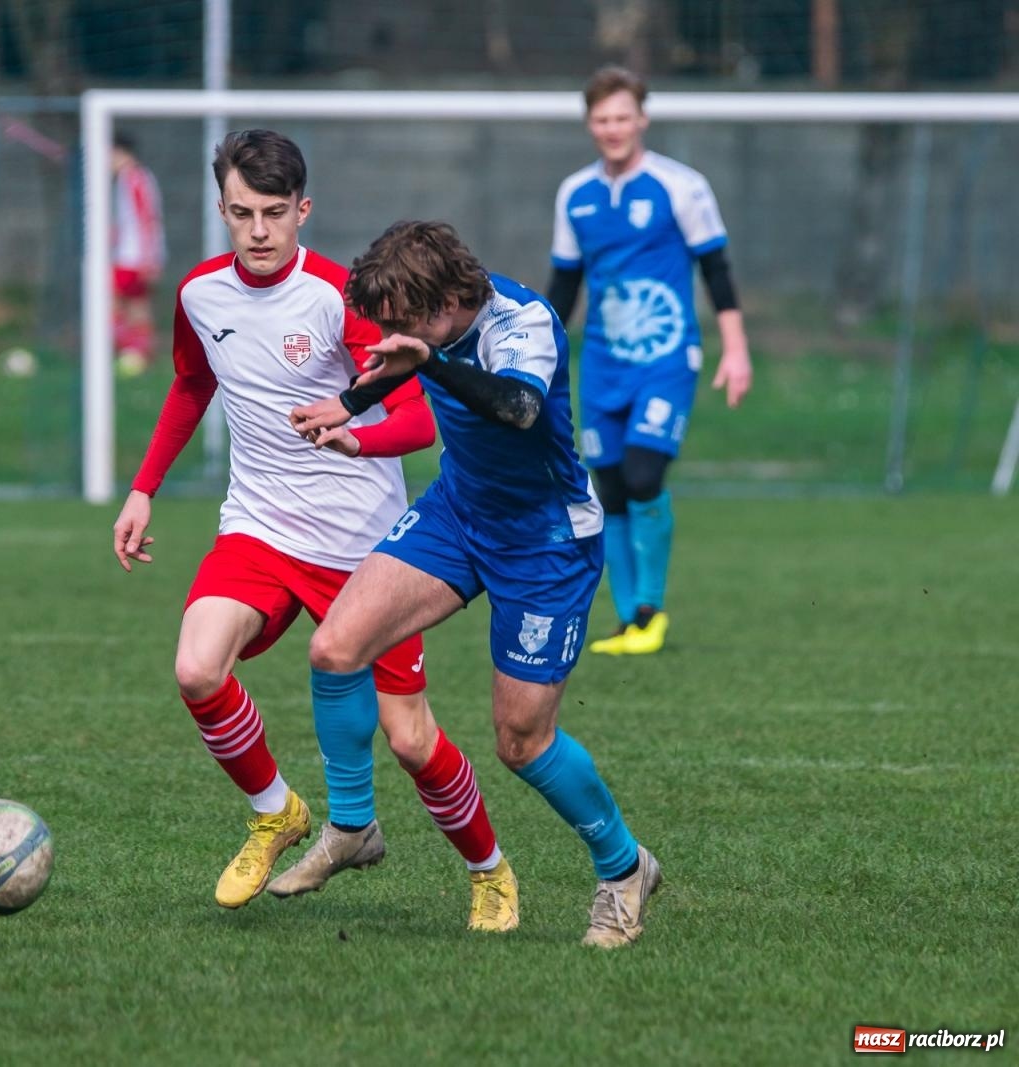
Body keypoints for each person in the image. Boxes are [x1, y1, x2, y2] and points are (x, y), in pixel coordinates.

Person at [113, 132, 513, 930]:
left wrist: (352, 434)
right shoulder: (199, 294)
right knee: (196, 667)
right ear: (221, 210)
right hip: (259, 526)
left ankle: (489, 869)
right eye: (241, 214)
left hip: (366, 545)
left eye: (273, 212)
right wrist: (142, 488)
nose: (258, 231)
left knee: (410, 738)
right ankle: (276, 812)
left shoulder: (340, 298)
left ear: (303, 209)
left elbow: (418, 418)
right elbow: (191, 384)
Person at [290, 220, 660, 947]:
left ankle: (624, 868)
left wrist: (427, 359)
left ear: (450, 300)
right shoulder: (430, 328)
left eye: (402, 324)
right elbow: (413, 358)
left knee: (521, 742)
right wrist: (352, 404)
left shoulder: (522, 322)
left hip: (546, 542)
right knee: (335, 648)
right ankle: (353, 826)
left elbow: (518, 407)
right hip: (457, 513)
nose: (389, 337)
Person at [547, 65, 753, 656]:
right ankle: (627, 622)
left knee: (643, 476)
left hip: (667, 359)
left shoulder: (681, 186)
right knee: (609, 488)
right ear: (590, 124)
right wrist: (536, 351)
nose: (613, 128)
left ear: (641, 119)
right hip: (603, 362)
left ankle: (650, 609)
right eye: (602, 119)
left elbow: (716, 269)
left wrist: (736, 349)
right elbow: (564, 286)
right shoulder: (575, 194)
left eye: (622, 117)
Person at [111, 133, 167, 378]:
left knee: (112, 303)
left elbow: (146, 218)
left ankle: (132, 350)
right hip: (131, 254)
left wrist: (148, 259)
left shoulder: (133, 178)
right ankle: (139, 354)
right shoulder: (129, 178)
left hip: (133, 257)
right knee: (136, 307)